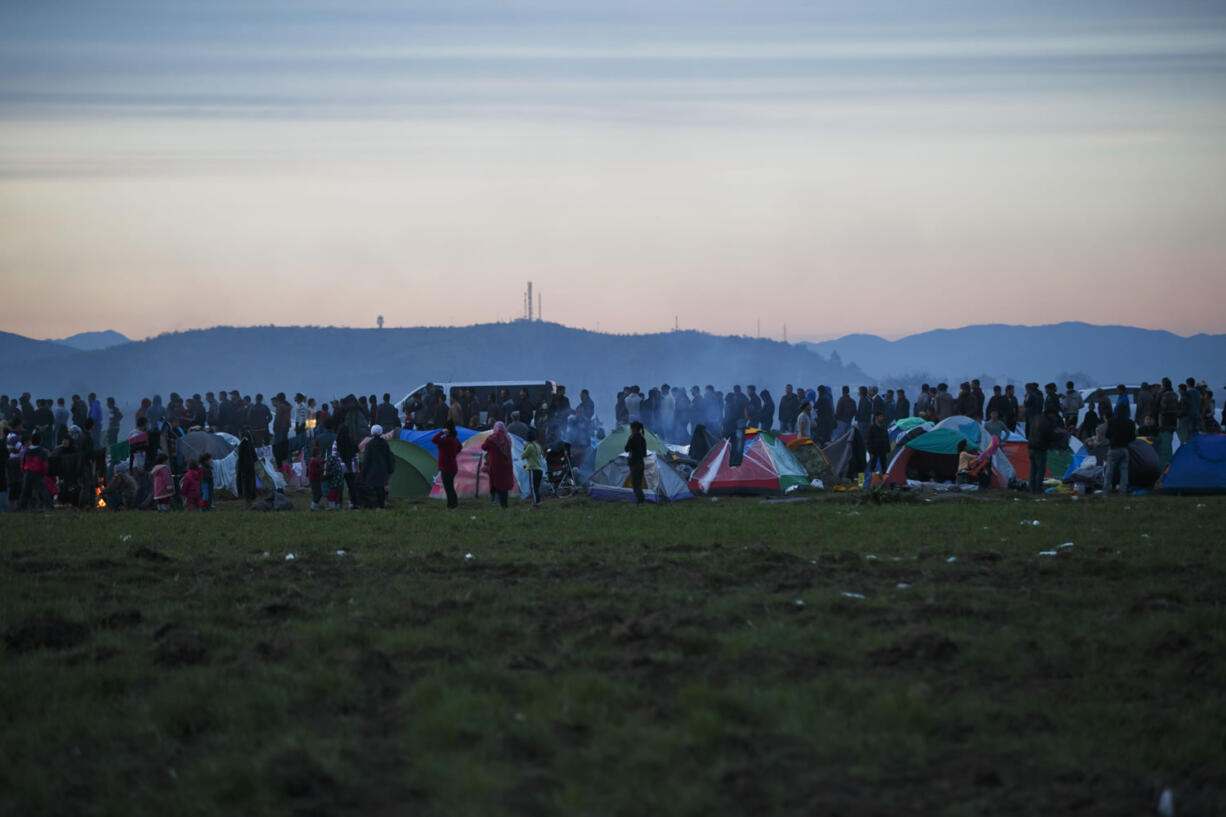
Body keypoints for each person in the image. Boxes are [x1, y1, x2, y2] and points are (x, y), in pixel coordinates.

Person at [359, 424, 394, 509]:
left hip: (372, 470)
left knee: (373, 488)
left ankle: (373, 504)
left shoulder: (369, 445)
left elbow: (366, 459)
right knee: (381, 488)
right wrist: (390, 469)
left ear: (372, 433)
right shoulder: (385, 444)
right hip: (383, 469)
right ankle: (381, 504)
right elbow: (388, 457)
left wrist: (363, 472)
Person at [1103, 404, 1136, 496]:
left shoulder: (1112, 421)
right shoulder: (1130, 422)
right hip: (1125, 449)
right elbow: (1133, 438)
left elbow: (1107, 435)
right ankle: (1123, 491)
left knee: (1109, 470)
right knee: (1124, 471)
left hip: (1113, 449)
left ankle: (1106, 491)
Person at [481, 421, 514, 508]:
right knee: (504, 485)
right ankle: (504, 504)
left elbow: (483, 447)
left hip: (495, 465)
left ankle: (496, 501)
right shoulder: (508, 438)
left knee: (496, 483)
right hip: (507, 465)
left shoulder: (492, 438)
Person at [432, 420, 464, 509]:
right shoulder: (455, 439)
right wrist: (453, 454)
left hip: (446, 468)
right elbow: (460, 447)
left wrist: (441, 432)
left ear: (447, 429)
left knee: (448, 487)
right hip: (453, 467)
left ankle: (452, 505)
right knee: (450, 486)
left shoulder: (446, 440)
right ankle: (453, 504)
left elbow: (434, 439)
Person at [625, 420, 647, 504]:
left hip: (634, 464)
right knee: (639, 483)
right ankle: (641, 499)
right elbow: (644, 453)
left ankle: (640, 500)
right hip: (641, 463)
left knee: (635, 484)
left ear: (634, 429)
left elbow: (626, 449)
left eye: (631, 429)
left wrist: (629, 438)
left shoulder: (633, 438)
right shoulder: (642, 438)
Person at [522, 429, 544, 508]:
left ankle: (536, 503)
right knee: (536, 488)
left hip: (533, 470)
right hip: (539, 469)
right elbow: (534, 458)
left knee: (533, 488)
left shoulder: (530, 446)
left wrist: (525, 447)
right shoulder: (538, 446)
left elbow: (523, 456)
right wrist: (527, 465)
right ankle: (538, 501)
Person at [866, 412, 889, 484]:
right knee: (872, 466)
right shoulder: (871, 428)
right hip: (874, 450)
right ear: (876, 417)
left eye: (882, 416)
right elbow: (868, 440)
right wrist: (870, 451)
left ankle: (884, 481)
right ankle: (870, 481)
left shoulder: (884, 427)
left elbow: (886, 438)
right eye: (880, 416)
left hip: (883, 449)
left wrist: (888, 449)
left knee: (884, 466)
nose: (882, 418)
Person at [324, 442, 346, 511]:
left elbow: (328, 468)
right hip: (339, 479)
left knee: (331, 494)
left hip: (334, 480)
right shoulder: (337, 459)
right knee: (337, 494)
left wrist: (326, 474)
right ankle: (338, 506)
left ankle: (332, 506)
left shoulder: (331, 458)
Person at [307, 442, 325, 510]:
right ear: (316, 454)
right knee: (318, 493)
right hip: (314, 480)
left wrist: (323, 462)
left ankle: (315, 505)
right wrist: (322, 469)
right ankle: (313, 506)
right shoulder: (313, 462)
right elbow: (315, 471)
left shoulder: (314, 461)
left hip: (315, 480)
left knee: (318, 493)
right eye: (319, 454)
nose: (320, 455)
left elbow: (319, 463)